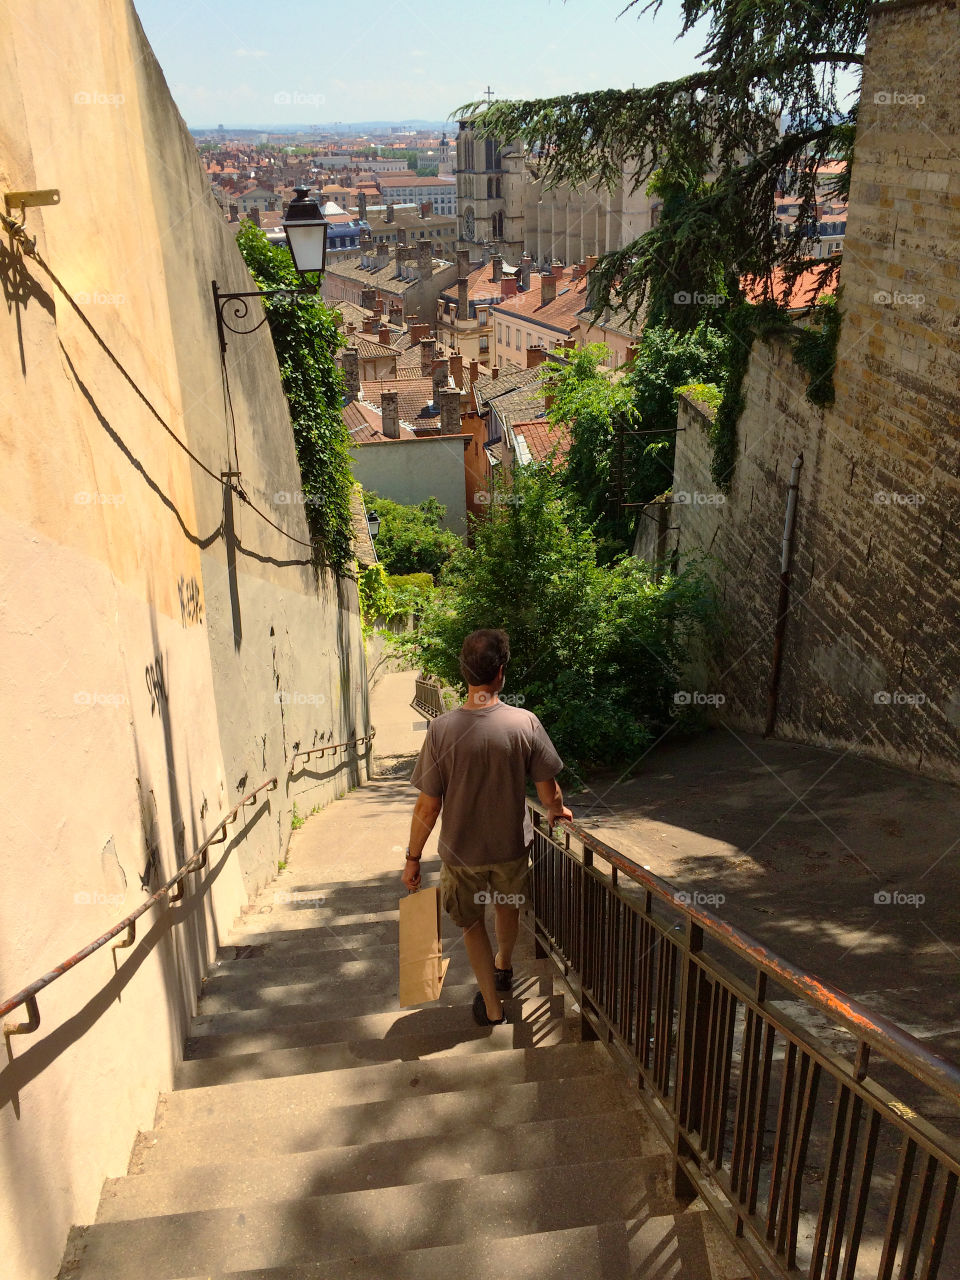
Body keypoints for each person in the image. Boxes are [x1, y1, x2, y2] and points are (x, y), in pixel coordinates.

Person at [401, 628, 572, 1025]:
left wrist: (412, 858)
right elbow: (550, 793)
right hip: (511, 849)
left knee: (472, 923)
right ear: (500, 674)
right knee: (506, 908)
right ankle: (505, 963)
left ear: (465, 673)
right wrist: (557, 810)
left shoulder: (441, 730)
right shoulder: (525, 723)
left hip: (461, 856)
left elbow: (428, 806)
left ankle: (492, 1008)